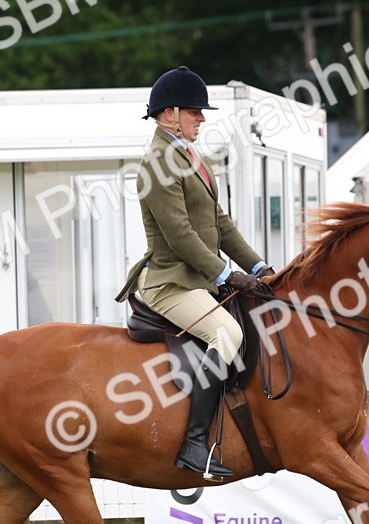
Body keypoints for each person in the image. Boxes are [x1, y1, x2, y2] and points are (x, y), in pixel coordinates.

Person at [116, 66, 274, 481]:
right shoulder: (156, 163)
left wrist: (259, 267)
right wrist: (226, 274)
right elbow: (181, 236)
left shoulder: (189, 156)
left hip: (198, 279)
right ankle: (194, 443)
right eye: (194, 112)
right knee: (228, 333)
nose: (202, 119)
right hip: (170, 283)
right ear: (169, 114)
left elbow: (219, 224)